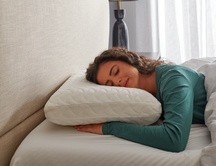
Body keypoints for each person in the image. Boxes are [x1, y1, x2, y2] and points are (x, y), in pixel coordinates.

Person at [74, 47, 207, 152]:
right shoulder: (146, 98)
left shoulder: (173, 78)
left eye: (115, 71)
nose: (117, 81)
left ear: (128, 59)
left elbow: (174, 139)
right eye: (110, 85)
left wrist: (108, 128)